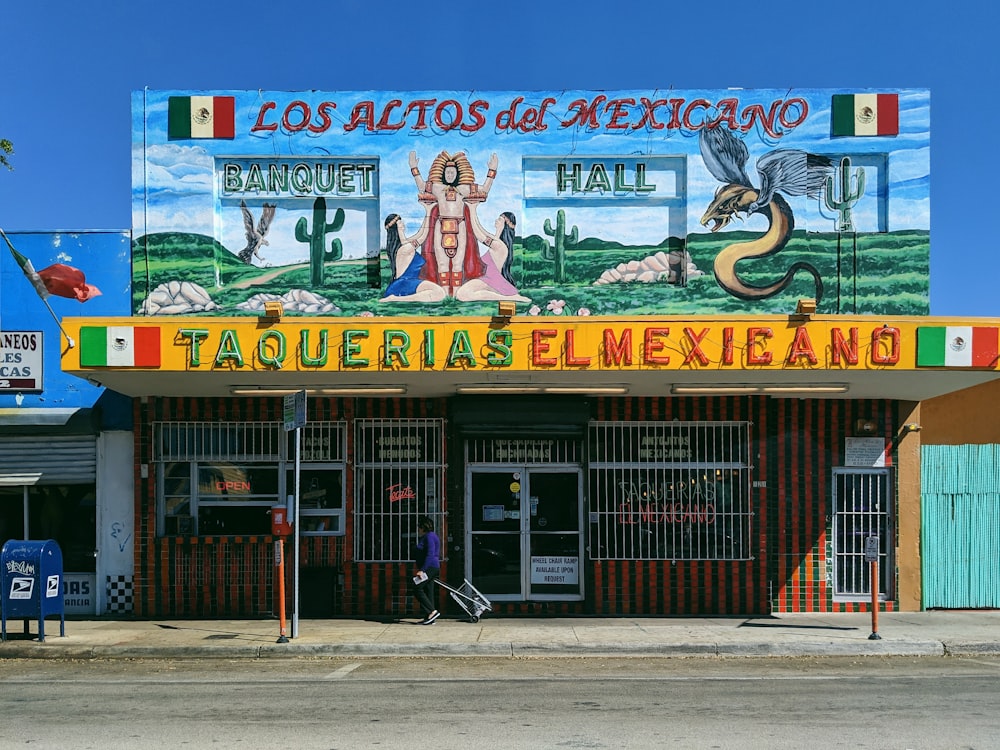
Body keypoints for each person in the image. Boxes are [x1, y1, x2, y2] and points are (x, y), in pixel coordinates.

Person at [407, 150, 497, 297]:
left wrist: (492, 170)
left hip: (460, 226)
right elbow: (421, 186)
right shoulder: (437, 188)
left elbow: (485, 189)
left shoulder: (464, 188)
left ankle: (455, 294)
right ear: (443, 173)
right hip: (440, 227)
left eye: (452, 172)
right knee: (442, 263)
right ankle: (444, 294)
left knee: (457, 263)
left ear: (458, 173)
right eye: (447, 172)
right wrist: (414, 168)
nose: (450, 175)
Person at [456, 207, 531, 302]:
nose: (496, 220)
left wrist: (471, 210)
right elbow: (481, 230)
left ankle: (509, 298)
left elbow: (478, 234)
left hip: (490, 279)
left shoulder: (499, 245)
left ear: (506, 224)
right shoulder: (496, 241)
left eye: (500, 219)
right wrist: (472, 210)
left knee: (462, 294)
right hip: (486, 278)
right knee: (463, 293)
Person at [380, 207, 446, 302]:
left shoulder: (405, 244)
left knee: (438, 292)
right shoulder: (405, 249)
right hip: (404, 283)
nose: (403, 223)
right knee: (439, 293)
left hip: (407, 282)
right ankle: (396, 299)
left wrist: (428, 211)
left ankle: (399, 298)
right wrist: (429, 211)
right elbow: (423, 236)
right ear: (396, 227)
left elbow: (420, 233)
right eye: (399, 222)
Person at [412, 515, 441, 624]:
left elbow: (430, 554)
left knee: (417, 588)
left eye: (419, 527)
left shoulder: (429, 537)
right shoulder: (429, 536)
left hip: (430, 567)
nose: (418, 529)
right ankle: (430, 618)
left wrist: (423, 570)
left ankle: (432, 611)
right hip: (431, 567)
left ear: (424, 527)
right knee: (428, 591)